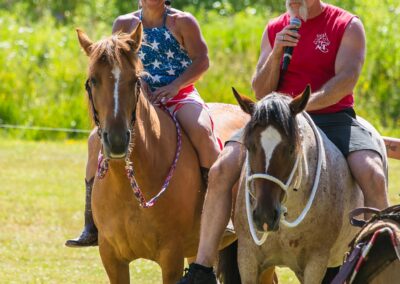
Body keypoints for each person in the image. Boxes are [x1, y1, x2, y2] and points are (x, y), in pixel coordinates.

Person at [178, 0, 389, 283]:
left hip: (333, 116)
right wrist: (277, 51)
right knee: (220, 170)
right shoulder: (276, 28)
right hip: (274, 123)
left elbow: (345, 81)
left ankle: (381, 261)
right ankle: (201, 269)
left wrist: (299, 109)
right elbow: (261, 89)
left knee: (373, 174)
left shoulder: (346, 25)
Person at [65, 0, 221, 247]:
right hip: (138, 98)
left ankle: (218, 211)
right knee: (95, 139)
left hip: (180, 96)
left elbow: (202, 61)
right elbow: (115, 66)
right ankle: (90, 223)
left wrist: (175, 86)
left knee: (202, 131)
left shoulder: (183, 22)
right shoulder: (124, 23)